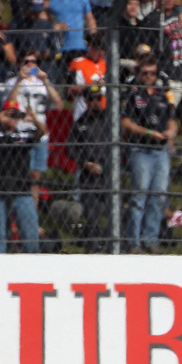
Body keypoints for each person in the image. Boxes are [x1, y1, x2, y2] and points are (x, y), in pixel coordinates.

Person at [120, 57, 176, 253]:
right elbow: (125, 122)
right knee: (140, 194)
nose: (149, 77)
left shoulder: (162, 94)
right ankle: (133, 241)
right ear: (138, 72)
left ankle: (150, 239)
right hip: (140, 148)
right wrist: (148, 132)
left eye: (152, 73)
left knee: (159, 195)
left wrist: (170, 132)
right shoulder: (130, 93)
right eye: (145, 73)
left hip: (160, 149)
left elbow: (172, 119)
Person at [0, 101, 44, 253]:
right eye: (9, 115)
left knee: (30, 233)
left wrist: (34, 120)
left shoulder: (23, 134)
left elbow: (42, 133)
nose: (12, 119)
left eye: (15, 116)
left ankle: (32, 262)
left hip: (22, 190)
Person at [2, 51, 61, 201]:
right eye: (26, 61)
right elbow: (9, 103)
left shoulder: (42, 83)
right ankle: (17, 216)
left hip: (39, 132)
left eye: (33, 62)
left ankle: (32, 218)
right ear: (19, 64)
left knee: (35, 176)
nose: (30, 65)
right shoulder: (12, 82)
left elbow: (58, 104)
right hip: (19, 132)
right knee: (21, 174)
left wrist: (45, 79)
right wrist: (20, 80)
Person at [66, 86, 110, 250]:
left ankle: (112, 243)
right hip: (88, 173)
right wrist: (85, 163)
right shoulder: (80, 123)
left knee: (114, 211)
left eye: (99, 98)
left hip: (109, 173)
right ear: (86, 101)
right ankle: (92, 244)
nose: (96, 102)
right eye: (92, 99)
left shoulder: (109, 119)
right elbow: (70, 148)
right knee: (91, 213)